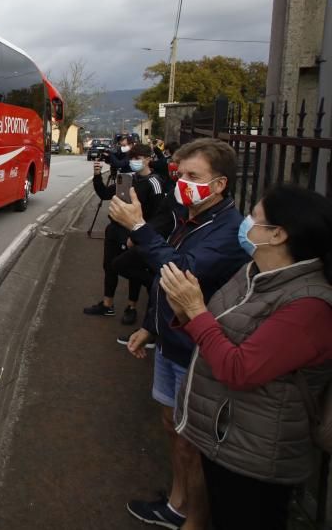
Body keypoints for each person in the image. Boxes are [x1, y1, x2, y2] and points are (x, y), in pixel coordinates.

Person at [159, 185, 332, 530]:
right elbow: (220, 329)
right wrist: (186, 312)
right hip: (225, 437)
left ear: (278, 234)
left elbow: (239, 369)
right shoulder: (254, 272)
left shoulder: (310, 305)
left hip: (257, 455)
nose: (245, 221)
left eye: (254, 216)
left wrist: (195, 311)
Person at [108, 138, 250, 530]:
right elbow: (163, 286)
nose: (183, 183)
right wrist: (150, 329)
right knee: (173, 429)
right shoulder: (191, 217)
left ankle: (194, 519)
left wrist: (137, 225)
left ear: (220, 184)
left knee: (192, 442)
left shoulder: (230, 231)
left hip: (197, 353)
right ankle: (176, 502)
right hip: (172, 342)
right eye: (179, 174)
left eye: (193, 176)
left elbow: (179, 273)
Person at [83, 143, 167, 325]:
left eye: (138, 158)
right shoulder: (127, 178)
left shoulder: (155, 182)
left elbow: (159, 214)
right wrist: (97, 174)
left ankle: (132, 306)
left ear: (148, 159)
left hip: (135, 231)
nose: (134, 162)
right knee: (109, 266)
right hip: (115, 229)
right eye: (132, 158)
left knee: (133, 269)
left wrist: (140, 234)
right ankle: (107, 304)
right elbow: (105, 193)